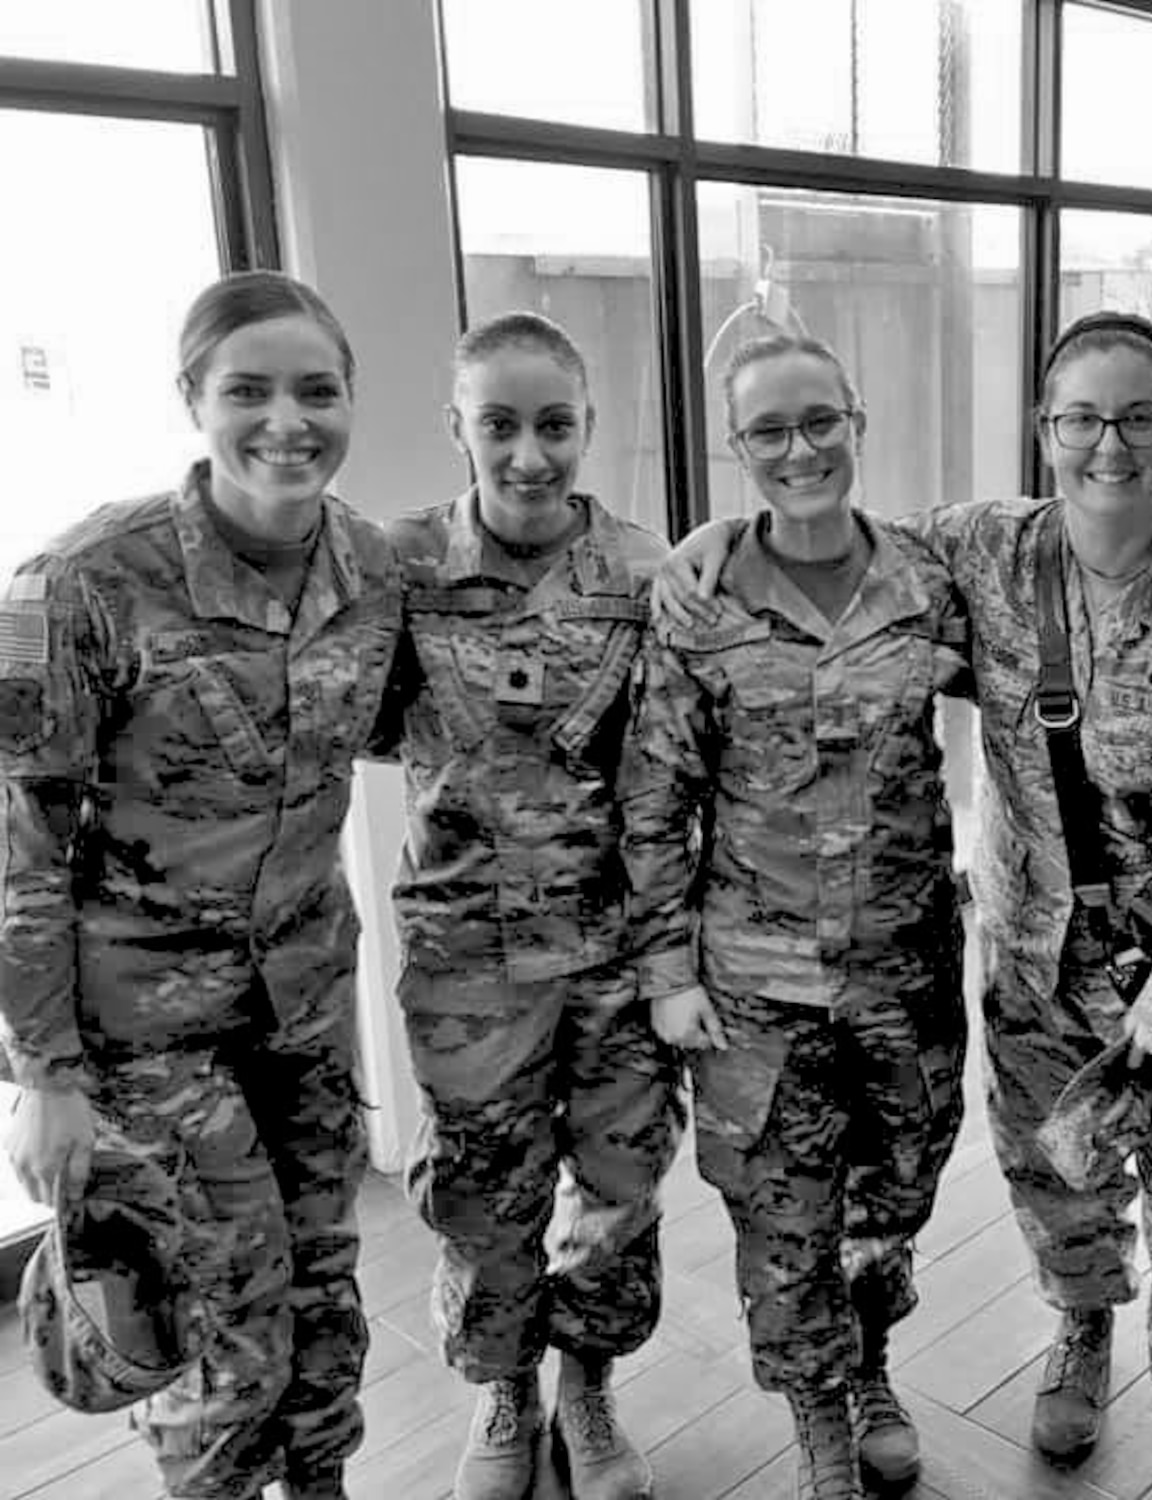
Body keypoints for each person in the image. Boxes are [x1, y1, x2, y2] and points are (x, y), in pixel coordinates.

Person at [658, 312, 1152, 1500]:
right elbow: (825, 537)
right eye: (1082, 418)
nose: (1111, 443)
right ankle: (1083, 1332)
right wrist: (718, 539)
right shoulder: (979, 551)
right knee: (1059, 1188)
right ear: (1044, 430)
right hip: (1035, 963)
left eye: (1139, 416)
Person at [0, 270, 403, 1500]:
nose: (287, 422)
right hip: (142, 1036)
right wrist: (45, 1079)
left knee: (324, 1292)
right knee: (219, 1328)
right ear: (193, 399)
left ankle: (320, 1485)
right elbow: (20, 842)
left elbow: (390, 738)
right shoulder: (77, 582)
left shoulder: (371, 572)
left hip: (302, 1005)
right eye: (248, 391)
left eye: (316, 391)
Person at [622, 333, 971, 1500]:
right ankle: (821, 1419)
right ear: (736, 450)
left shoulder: (927, 581)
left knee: (894, 1196)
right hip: (756, 990)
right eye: (768, 431)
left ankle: (869, 1362)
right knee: (782, 1222)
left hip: (902, 978)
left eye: (819, 420)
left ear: (857, 420)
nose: (799, 449)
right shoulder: (702, 597)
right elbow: (655, 796)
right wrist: (666, 972)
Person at [373, 312, 683, 1500]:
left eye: (553, 425)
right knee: (482, 1193)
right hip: (465, 959)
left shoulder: (650, 577)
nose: (528, 455)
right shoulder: (396, 571)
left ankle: (589, 1389)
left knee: (614, 1187)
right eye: (497, 424)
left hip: (611, 952)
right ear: (455, 426)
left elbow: (682, 771)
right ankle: (505, 1390)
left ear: (587, 428)